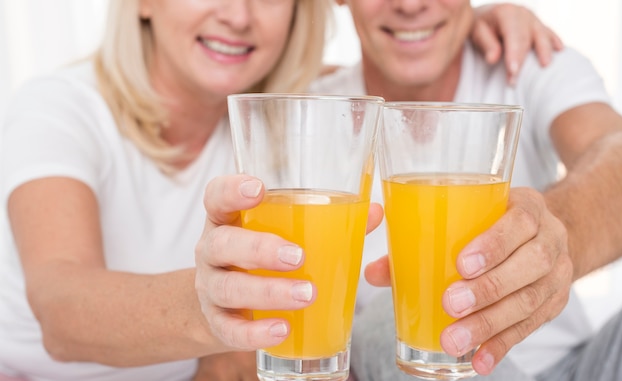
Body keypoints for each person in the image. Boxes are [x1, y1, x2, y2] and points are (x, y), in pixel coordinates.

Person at [0, 0, 564, 380]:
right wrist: (216, 309)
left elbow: (399, 64)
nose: (239, 16)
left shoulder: (283, 120)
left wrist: (483, 21)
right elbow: (60, 309)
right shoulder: (61, 108)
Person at [308, 1, 622, 380]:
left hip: (583, 366)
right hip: (416, 365)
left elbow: (616, 152)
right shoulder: (306, 114)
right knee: (390, 318)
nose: (411, 6)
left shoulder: (525, 59)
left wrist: (551, 238)